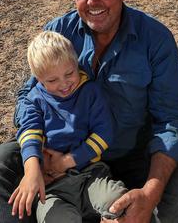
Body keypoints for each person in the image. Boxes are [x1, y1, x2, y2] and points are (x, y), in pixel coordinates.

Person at [0, 0, 178, 223]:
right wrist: (37, 162)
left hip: (131, 154)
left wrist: (150, 194)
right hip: (61, 150)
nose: (91, 1)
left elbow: (172, 120)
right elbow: (29, 95)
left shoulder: (155, 39)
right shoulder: (59, 31)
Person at [10, 30, 128, 222]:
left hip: (91, 175)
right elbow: (29, 132)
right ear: (38, 79)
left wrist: (65, 161)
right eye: (52, 80)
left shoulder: (90, 92)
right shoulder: (35, 100)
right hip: (52, 187)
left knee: (118, 200)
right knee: (57, 218)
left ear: (76, 64)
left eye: (69, 73)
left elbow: (105, 133)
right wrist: (32, 172)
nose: (64, 84)